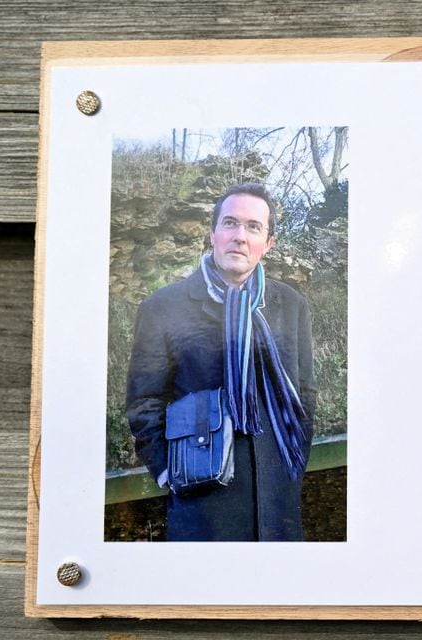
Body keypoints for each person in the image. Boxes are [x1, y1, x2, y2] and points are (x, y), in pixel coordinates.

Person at [126, 183, 316, 541]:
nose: (239, 237)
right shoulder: (163, 308)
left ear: (268, 244)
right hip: (203, 501)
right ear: (212, 234)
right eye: (230, 223)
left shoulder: (291, 305)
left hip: (278, 502)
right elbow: (144, 403)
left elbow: (304, 393)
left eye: (253, 227)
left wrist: (294, 467)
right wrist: (171, 472)